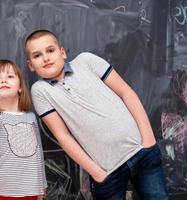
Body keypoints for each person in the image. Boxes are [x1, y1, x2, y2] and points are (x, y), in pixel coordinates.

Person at [25, 29, 169, 200]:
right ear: (31, 65)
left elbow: (126, 92)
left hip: (142, 151)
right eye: (37, 55)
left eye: (50, 50)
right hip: (107, 172)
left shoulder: (86, 61)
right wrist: (97, 172)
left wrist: (148, 139)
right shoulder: (41, 91)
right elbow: (62, 136)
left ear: (62, 52)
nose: (46, 58)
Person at [0, 59, 47, 200]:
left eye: (10, 76)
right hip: (0, 192)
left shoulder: (31, 117)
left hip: (30, 192)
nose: (3, 80)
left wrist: (42, 185)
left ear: (20, 87)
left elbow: (38, 153)